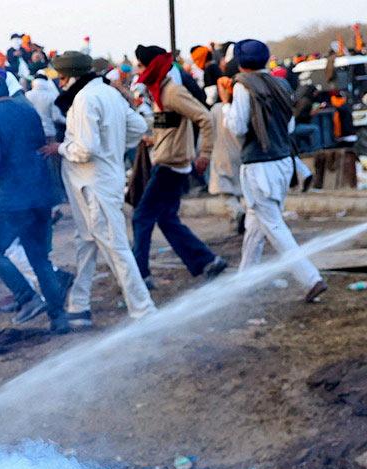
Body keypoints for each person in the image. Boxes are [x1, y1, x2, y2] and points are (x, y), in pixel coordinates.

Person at [45, 51, 155, 327]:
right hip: (104, 179)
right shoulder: (108, 93)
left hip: (92, 184)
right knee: (87, 242)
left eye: (61, 77)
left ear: (70, 77)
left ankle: (144, 310)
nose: (59, 83)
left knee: (115, 246)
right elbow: (139, 126)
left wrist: (58, 148)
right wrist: (114, 147)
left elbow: (84, 150)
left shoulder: (84, 100)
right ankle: (79, 306)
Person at [222, 39, 327, 302]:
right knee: (255, 223)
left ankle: (310, 278)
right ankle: (245, 281)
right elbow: (289, 127)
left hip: (259, 166)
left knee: (273, 225)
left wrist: (226, 105)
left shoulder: (243, 87)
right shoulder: (281, 84)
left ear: (240, 62)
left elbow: (238, 128)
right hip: (282, 162)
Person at [0, 75, 68, 333]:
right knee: (39, 257)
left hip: (12, 196)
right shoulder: (28, 111)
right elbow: (40, 144)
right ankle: (59, 319)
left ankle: (27, 298)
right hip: (39, 193)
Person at [131, 44, 227, 285]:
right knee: (166, 218)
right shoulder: (159, 92)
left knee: (141, 217)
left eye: (141, 66)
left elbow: (203, 117)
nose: (137, 70)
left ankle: (140, 276)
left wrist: (204, 153)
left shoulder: (173, 92)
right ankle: (207, 261)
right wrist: (153, 140)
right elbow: (173, 126)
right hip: (168, 161)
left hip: (171, 166)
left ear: (151, 66)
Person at [209, 76, 245, 233]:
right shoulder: (239, 107)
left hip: (221, 154)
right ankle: (238, 218)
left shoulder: (217, 109)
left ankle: (238, 213)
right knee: (238, 188)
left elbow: (208, 130)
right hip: (240, 153)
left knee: (225, 192)